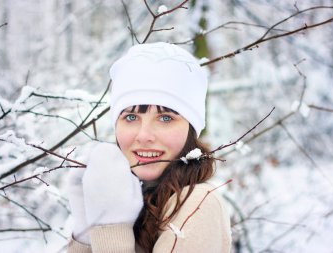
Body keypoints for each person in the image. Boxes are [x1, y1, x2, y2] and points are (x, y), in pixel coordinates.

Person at [67, 42, 232, 253]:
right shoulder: (133, 199)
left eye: (165, 118)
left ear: (191, 129)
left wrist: (111, 228)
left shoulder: (198, 204)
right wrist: (85, 229)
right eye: (131, 117)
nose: (144, 135)